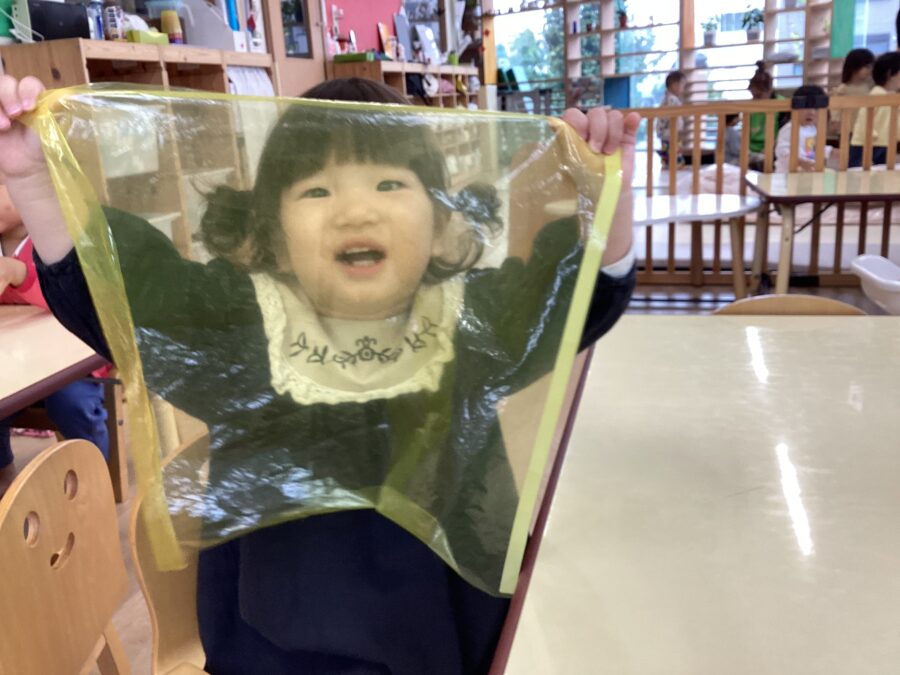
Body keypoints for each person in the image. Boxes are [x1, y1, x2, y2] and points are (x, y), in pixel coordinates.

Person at [0, 75, 637, 674]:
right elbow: (117, 292)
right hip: (277, 650)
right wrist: (31, 179)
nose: (355, 211)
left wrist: (607, 189)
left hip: (446, 641)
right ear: (273, 231)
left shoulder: (468, 321)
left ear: (441, 220)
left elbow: (578, 296)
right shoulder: (238, 323)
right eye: (317, 191)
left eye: (389, 184)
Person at [0, 184, 109, 496]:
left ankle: (92, 478)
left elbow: (79, 298)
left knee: (71, 403)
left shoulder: (57, 238)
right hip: (15, 361)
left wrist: (20, 273)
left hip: (73, 360)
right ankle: (5, 475)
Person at [849, 51, 900, 167]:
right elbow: (864, 121)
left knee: (881, 173)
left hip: (885, 143)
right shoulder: (876, 95)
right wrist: (872, 137)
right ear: (890, 74)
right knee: (859, 174)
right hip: (865, 144)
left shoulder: (893, 99)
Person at [774, 85, 833, 173]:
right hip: (786, 174)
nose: (811, 112)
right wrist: (800, 162)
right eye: (805, 107)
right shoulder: (790, 128)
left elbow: (815, 149)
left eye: (816, 108)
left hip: (806, 173)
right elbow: (782, 151)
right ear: (794, 108)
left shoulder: (812, 129)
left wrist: (831, 152)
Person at [746, 61, 786, 170]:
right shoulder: (749, 107)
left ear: (769, 91)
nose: (755, 100)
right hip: (752, 153)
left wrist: (770, 150)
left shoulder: (781, 105)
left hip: (774, 150)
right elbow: (745, 134)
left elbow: (785, 133)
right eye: (753, 96)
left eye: (759, 96)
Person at [831, 48, 875, 134]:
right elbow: (836, 114)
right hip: (848, 131)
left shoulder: (871, 87)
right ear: (854, 66)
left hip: (867, 131)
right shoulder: (842, 90)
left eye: (871, 67)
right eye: (867, 67)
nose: (870, 70)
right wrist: (836, 123)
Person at [657, 70, 686, 167]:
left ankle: (667, 164)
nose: (683, 89)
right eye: (682, 85)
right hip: (670, 132)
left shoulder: (667, 98)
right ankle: (673, 165)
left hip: (666, 132)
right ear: (675, 85)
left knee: (668, 151)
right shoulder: (672, 99)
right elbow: (673, 116)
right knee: (673, 152)